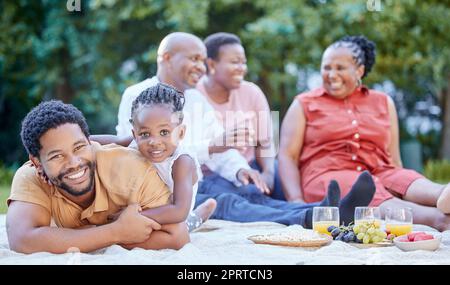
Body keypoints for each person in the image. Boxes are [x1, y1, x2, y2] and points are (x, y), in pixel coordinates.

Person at [112, 32, 377, 227]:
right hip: (165, 190)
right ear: (166, 58)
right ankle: (310, 216)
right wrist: (214, 146)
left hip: (200, 180)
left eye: (203, 60)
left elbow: (222, 149)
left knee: (248, 191)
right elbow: (144, 151)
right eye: (194, 59)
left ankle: (327, 211)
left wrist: (240, 169)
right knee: (229, 202)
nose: (201, 67)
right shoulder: (137, 96)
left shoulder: (195, 99)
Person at [279, 35, 450, 231]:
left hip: (380, 169)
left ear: (359, 70)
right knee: (368, 190)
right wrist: (295, 200)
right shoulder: (304, 103)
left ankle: (443, 193)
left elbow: (394, 160)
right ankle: (440, 220)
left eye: (340, 68)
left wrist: (400, 179)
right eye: (326, 67)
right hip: (329, 175)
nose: (331, 74)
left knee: (403, 178)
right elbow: (287, 156)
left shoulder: (383, 102)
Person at [6, 100, 189, 254]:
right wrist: (116, 232)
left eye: (79, 147)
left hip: (181, 190)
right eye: (56, 156)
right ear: (37, 162)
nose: (74, 163)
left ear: (90, 142)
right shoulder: (31, 176)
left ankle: (200, 213)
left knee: (191, 218)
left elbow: (177, 235)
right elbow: (22, 240)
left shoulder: (129, 168)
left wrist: (73, 238)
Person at [197, 32, 283, 199]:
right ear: (211, 64)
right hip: (213, 175)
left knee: (280, 175)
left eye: (243, 62)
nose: (242, 68)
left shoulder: (252, 92)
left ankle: (312, 208)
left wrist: (268, 173)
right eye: (235, 62)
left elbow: (265, 143)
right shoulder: (194, 96)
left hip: (252, 167)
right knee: (243, 194)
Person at [108, 83, 204, 232]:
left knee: (178, 229)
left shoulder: (182, 162)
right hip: (145, 202)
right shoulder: (135, 142)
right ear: (135, 134)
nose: (154, 142)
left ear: (180, 133)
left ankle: (198, 216)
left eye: (164, 132)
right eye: (145, 134)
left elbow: (179, 211)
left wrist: (133, 216)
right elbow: (102, 141)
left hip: (171, 211)